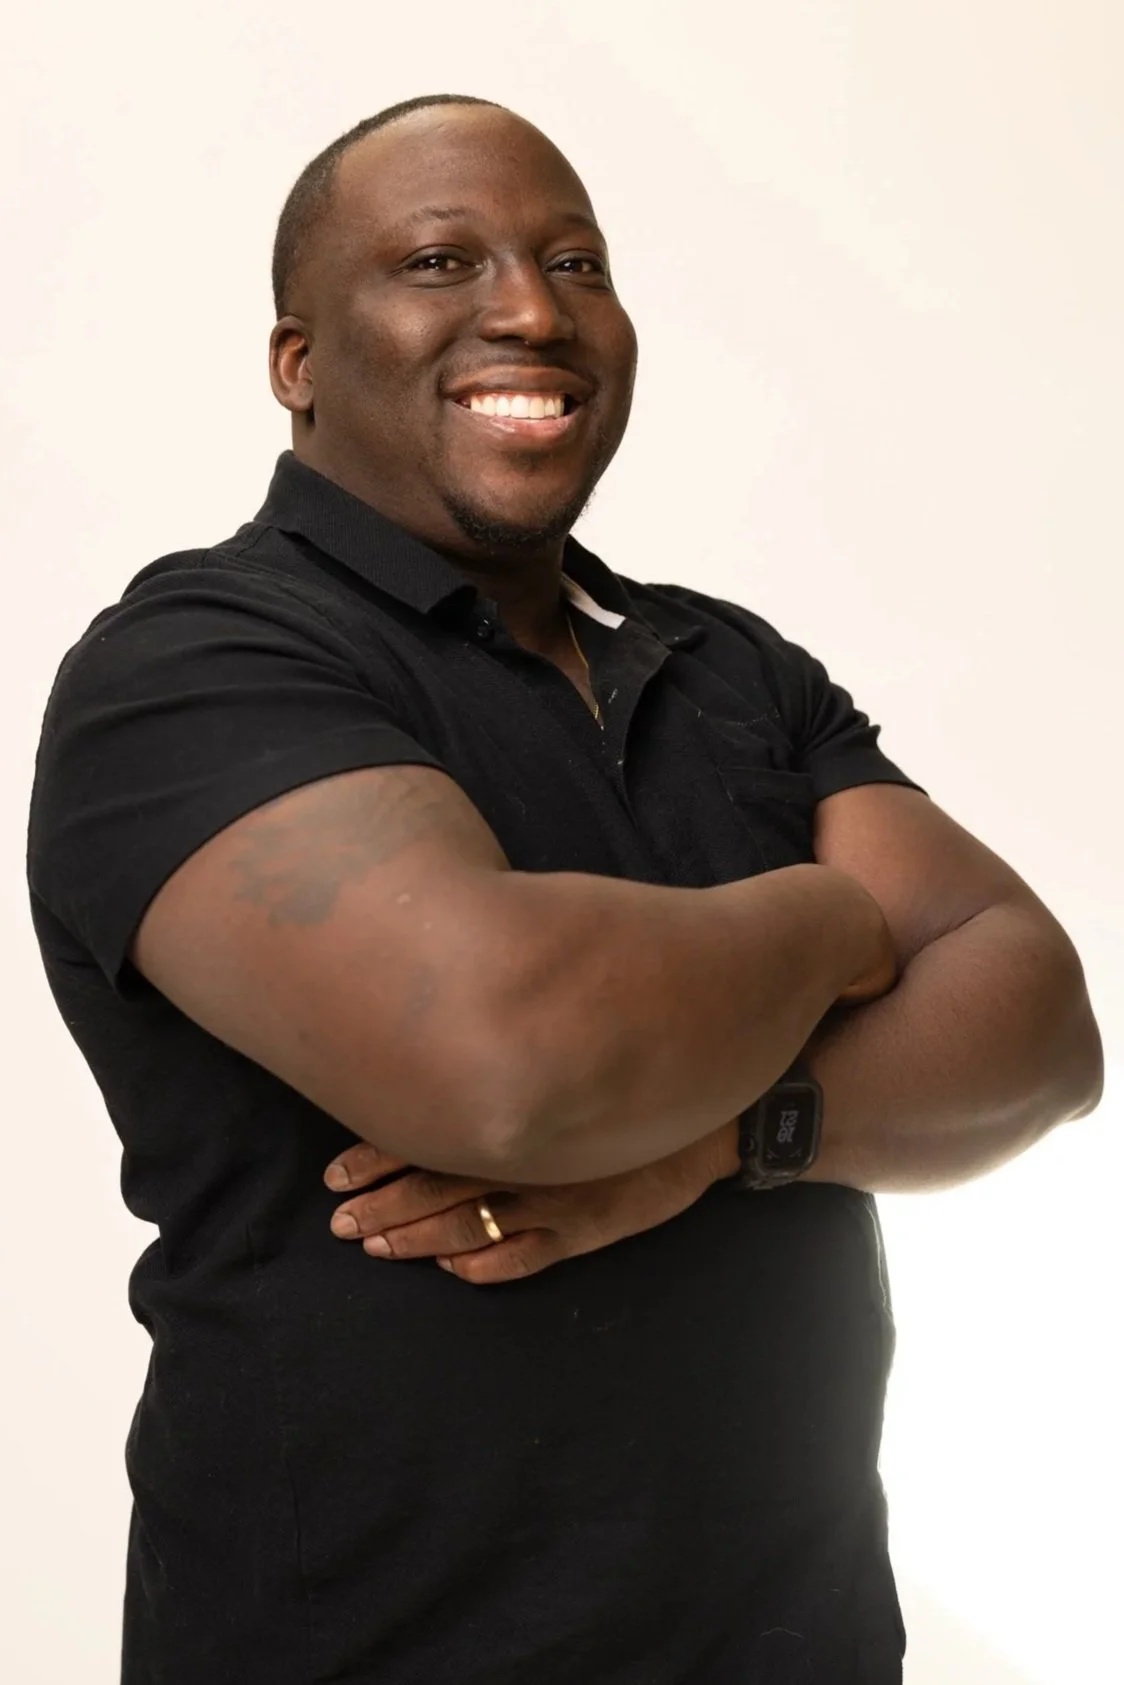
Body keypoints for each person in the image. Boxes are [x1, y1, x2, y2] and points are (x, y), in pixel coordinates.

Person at [26, 93, 1102, 1685]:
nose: (532, 308)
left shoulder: (731, 665)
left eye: (576, 260)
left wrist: (731, 1139)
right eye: (441, 259)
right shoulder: (197, 661)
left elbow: (1042, 1029)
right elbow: (510, 1063)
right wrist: (838, 920)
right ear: (299, 362)